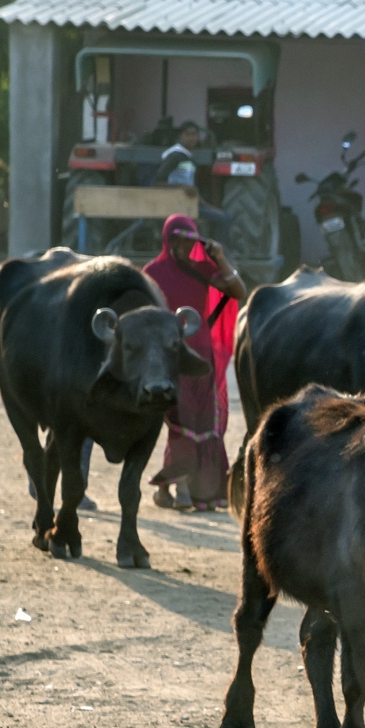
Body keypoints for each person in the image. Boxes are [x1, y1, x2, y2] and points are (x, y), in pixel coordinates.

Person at [143, 213, 245, 513]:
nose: (184, 248)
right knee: (180, 419)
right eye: (177, 241)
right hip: (169, 357)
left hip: (201, 358)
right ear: (167, 240)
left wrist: (221, 258)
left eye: (190, 242)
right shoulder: (152, 272)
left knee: (203, 422)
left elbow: (238, 291)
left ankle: (196, 490)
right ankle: (183, 487)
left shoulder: (204, 269)